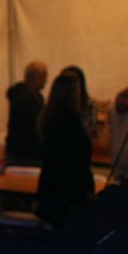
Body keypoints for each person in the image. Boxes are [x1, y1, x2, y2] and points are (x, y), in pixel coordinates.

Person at [35, 73, 95, 228]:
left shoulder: (47, 117)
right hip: (68, 189)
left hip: (50, 184)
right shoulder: (71, 121)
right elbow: (80, 158)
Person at [5, 60, 48, 166]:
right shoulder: (22, 99)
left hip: (29, 153)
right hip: (22, 155)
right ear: (35, 77)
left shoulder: (38, 97)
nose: (46, 80)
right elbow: (34, 124)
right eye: (43, 76)